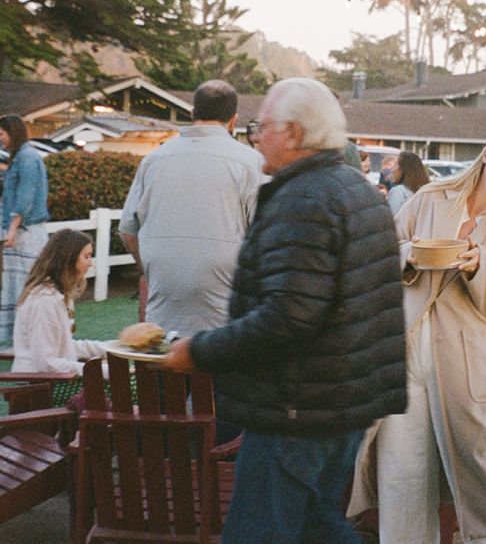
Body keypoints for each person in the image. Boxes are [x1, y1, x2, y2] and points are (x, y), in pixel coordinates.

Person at [161, 78, 406, 544]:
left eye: (263, 126)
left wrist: (199, 350)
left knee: (260, 533)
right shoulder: (353, 189)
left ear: (293, 133)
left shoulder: (304, 199)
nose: (255, 137)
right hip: (345, 402)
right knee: (318, 527)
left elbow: (288, 317)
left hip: (296, 406)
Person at [352, 125, 486, 544]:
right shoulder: (430, 198)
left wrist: (480, 267)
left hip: (467, 365)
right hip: (406, 355)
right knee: (402, 474)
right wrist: (408, 254)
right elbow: (381, 254)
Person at [119, 80, 263, 338]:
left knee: (164, 370)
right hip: (225, 318)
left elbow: (128, 231)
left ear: (193, 114)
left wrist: (152, 270)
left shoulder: (154, 160)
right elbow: (264, 237)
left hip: (163, 310)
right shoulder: (251, 162)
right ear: (233, 120)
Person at [12, 229, 108, 404]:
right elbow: (47, 364)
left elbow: (63, 346)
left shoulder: (58, 294)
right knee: (117, 395)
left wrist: (110, 349)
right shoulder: (45, 300)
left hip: (53, 383)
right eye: (86, 257)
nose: (91, 263)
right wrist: (97, 371)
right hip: (37, 392)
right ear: (68, 259)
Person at [0, 114, 50, 341]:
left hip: (25, 232)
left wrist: (11, 230)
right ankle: (20, 335)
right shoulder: (20, 157)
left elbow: (25, 197)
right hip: (20, 230)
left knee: (27, 284)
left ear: (13, 132)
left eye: (2, 134)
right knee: (16, 284)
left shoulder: (27, 157)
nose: (1, 139)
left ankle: (29, 334)